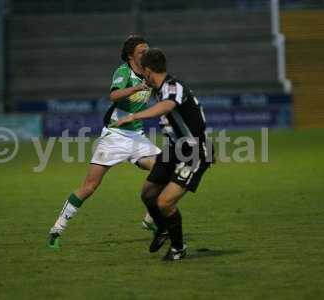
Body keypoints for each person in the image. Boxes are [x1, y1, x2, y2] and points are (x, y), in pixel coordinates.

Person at [48, 35, 161, 249]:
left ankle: (150, 220)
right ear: (130, 56)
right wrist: (135, 89)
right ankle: (56, 230)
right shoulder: (124, 72)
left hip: (137, 137)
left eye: (148, 50)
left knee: (164, 172)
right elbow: (114, 95)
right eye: (141, 51)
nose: (146, 54)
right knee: (90, 186)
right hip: (115, 137)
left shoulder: (149, 73)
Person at [116, 48, 214, 261]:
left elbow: (166, 106)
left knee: (164, 203)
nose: (143, 76)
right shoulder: (161, 88)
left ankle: (178, 248)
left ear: (149, 71)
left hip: (195, 152)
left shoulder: (172, 86)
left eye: (143, 72)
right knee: (148, 194)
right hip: (174, 150)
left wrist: (133, 116)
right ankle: (162, 229)